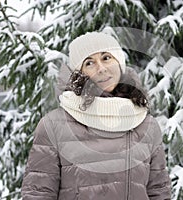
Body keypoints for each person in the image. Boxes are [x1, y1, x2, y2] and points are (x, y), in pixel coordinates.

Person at [21, 31, 171, 200]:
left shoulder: (146, 124)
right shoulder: (53, 125)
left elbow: (158, 191)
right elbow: (38, 193)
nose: (101, 68)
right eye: (89, 63)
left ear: (119, 63)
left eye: (106, 58)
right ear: (80, 73)